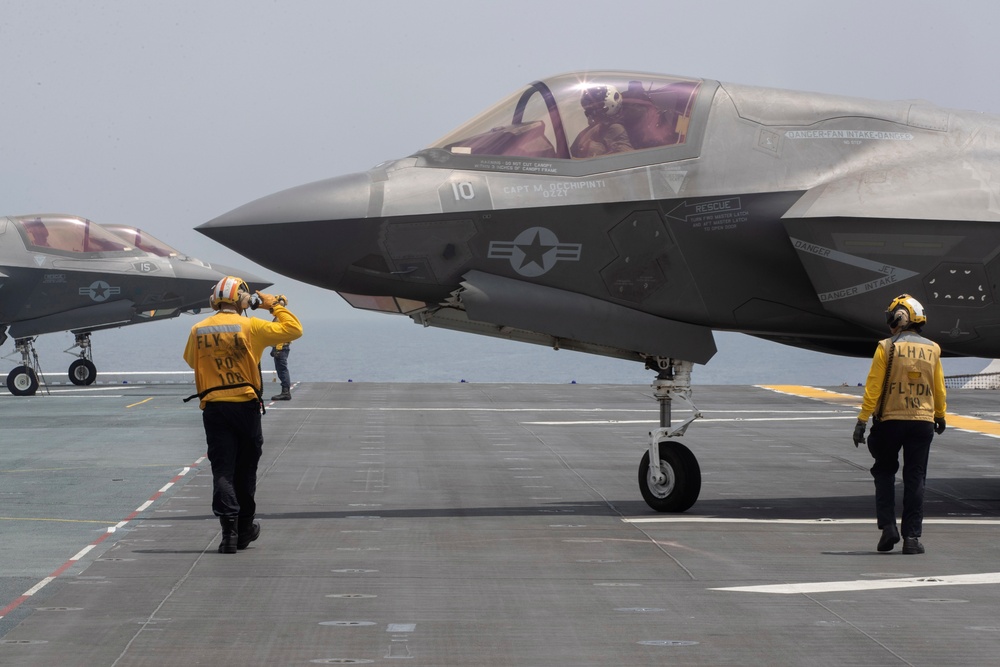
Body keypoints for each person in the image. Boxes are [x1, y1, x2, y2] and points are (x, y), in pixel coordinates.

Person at [183, 276, 303, 553]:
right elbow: (294, 329)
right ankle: (246, 527)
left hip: (213, 407)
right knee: (246, 469)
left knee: (223, 469)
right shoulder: (251, 326)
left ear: (214, 299)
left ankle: (229, 534)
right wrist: (274, 306)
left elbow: (192, 360)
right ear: (243, 300)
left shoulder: (197, 330)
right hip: (245, 407)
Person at [853, 294, 946, 555]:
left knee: (884, 472)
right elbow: (939, 388)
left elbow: (874, 388)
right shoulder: (934, 349)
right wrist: (940, 415)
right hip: (923, 422)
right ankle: (912, 539)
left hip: (890, 421)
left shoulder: (886, 347)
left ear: (900, 317)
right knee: (915, 478)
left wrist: (862, 420)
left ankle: (888, 528)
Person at [571, 84, 634, 158]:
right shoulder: (593, 130)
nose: (590, 113)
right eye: (588, 109)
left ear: (610, 104)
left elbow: (628, 159)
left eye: (594, 107)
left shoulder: (616, 129)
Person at [270, 316, 293, 401]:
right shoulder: (280, 317)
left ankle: (286, 392)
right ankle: (285, 391)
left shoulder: (280, 318)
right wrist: (273, 348)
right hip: (280, 347)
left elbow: (280, 334)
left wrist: (278, 349)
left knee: (282, 370)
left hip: (281, 348)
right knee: (280, 370)